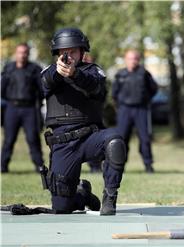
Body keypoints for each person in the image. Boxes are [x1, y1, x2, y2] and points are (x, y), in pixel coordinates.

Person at [41, 27, 126, 215]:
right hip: (63, 144)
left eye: (72, 51)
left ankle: (109, 198)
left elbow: (95, 88)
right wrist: (61, 72)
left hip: (90, 139)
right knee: (62, 208)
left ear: (82, 51)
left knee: (115, 140)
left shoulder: (93, 71)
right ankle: (83, 194)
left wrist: (74, 74)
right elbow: (47, 82)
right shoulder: (49, 72)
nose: (68, 55)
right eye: (64, 52)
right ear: (57, 54)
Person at [1, 43, 44, 173]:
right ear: (16, 53)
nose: (22, 55)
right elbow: (2, 90)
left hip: (29, 108)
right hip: (12, 108)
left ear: (28, 54)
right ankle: (3, 166)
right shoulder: (9, 68)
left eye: (25, 52)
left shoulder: (34, 69)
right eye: (20, 52)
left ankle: (39, 166)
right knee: (9, 139)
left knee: (33, 138)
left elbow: (41, 90)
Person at [112, 49, 158, 173]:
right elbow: (114, 93)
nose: (133, 61)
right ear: (125, 60)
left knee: (145, 139)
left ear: (138, 60)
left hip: (141, 109)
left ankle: (148, 165)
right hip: (124, 110)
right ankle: (119, 166)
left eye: (135, 58)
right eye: (130, 58)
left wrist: (145, 100)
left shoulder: (144, 73)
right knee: (121, 139)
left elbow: (153, 89)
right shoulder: (120, 74)